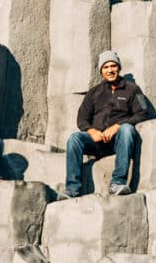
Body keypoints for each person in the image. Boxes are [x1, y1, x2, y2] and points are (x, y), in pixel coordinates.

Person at [63, 50, 150, 198]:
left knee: (127, 129)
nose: (110, 70)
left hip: (119, 141)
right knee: (74, 139)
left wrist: (118, 126)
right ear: (101, 71)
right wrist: (91, 131)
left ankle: (117, 182)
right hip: (97, 142)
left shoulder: (133, 89)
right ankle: (72, 188)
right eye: (106, 67)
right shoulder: (94, 92)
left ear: (119, 68)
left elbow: (143, 113)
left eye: (113, 66)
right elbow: (81, 119)